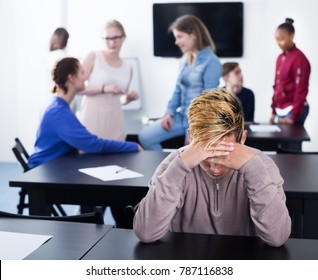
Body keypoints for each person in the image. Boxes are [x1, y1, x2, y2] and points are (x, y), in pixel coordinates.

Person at [134, 88, 291, 247]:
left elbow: (277, 237)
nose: (215, 169)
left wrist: (253, 171)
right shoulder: (173, 165)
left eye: (224, 154)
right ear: (191, 138)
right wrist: (179, 168)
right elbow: (146, 233)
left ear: (242, 139)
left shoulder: (262, 166)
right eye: (206, 155)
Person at [28, 57, 141, 169]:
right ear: (71, 78)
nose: (85, 77)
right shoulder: (58, 112)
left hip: (54, 165)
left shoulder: (56, 104)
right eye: (82, 73)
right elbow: (93, 144)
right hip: (45, 170)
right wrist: (133, 146)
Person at [138, 14, 222, 150]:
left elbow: (209, 101)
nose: (176, 42)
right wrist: (168, 113)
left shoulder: (212, 62)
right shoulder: (185, 60)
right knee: (145, 136)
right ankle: (165, 170)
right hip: (180, 117)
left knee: (189, 156)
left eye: (179, 36)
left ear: (193, 34)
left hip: (197, 121)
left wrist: (195, 130)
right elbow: (178, 89)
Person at [78, 20, 139, 141]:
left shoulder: (128, 67)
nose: (111, 42)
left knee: (116, 159)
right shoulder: (93, 56)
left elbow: (120, 100)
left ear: (123, 38)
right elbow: (77, 88)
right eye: (107, 38)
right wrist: (104, 88)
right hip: (92, 119)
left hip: (115, 123)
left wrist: (128, 98)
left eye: (116, 38)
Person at [270, 18, 311, 125]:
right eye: (277, 39)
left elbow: (301, 89)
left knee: (291, 142)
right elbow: (277, 85)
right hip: (280, 110)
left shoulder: (300, 59)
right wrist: (273, 110)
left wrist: (293, 116)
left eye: (282, 38)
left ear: (292, 35)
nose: (279, 43)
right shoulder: (280, 58)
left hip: (293, 111)